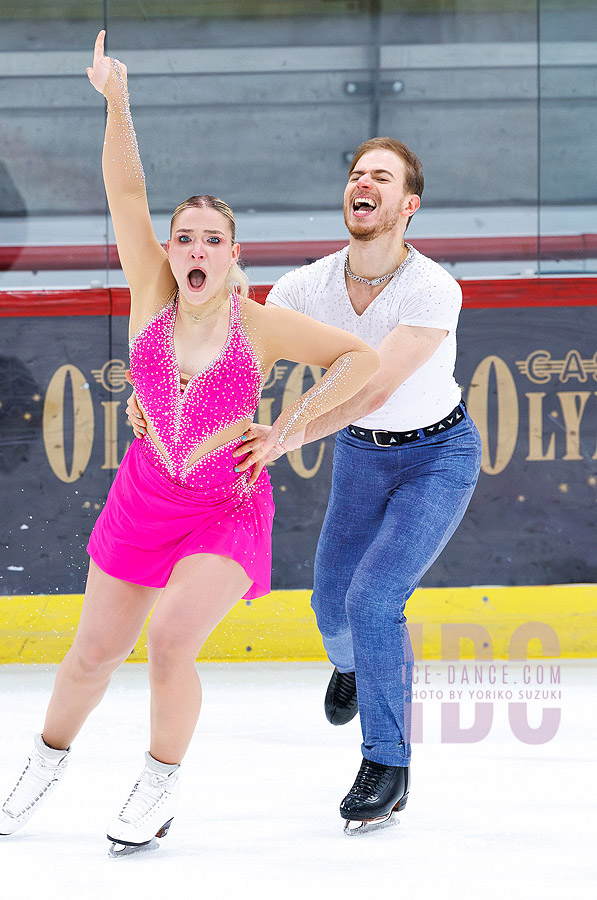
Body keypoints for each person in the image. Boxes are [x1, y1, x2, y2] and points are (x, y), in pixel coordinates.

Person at [0, 31, 379, 856]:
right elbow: (125, 193)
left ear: (233, 256)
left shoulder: (259, 323)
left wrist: (289, 430)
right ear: (169, 250)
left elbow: (358, 358)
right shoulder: (147, 293)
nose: (194, 249)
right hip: (144, 494)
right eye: (183, 237)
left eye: (211, 240)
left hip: (225, 505)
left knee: (169, 642)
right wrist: (117, 101)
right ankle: (43, 761)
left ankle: (158, 785)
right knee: (93, 653)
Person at [128, 136, 482, 835]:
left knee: (373, 597)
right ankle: (354, 665)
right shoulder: (303, 287)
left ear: (406, 204)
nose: (364, 183)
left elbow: (373, 387)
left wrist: (282, 436)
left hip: (436, 456)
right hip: (358, 458)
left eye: (381, 177)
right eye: (356, 174)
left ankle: (387, 764)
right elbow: (226, 338)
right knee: (330, 606)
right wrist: (159, 387)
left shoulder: (433, 288)